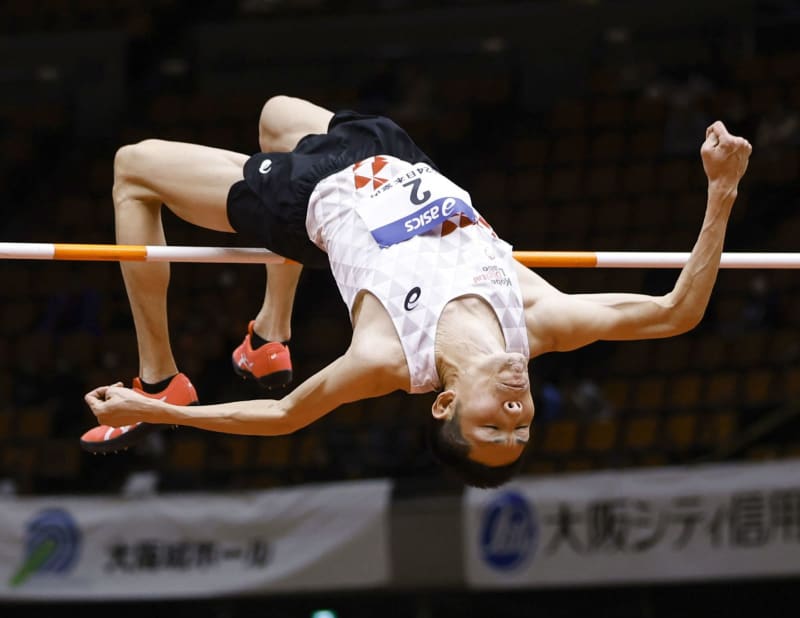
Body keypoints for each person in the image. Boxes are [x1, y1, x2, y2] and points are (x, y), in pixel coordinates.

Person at [83, 95, 752, 488]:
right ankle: (270, 332)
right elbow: (674, 313)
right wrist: (721, 191)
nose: (515, 413)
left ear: (447, 405)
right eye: (521, 429)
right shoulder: (536, 321)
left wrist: (167, 416)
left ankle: (159, 374)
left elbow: (284, 418)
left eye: (493, 424)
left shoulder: (392, 359)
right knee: (277, 113)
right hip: (397, 157)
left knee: (132, 168)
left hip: (308, 198)